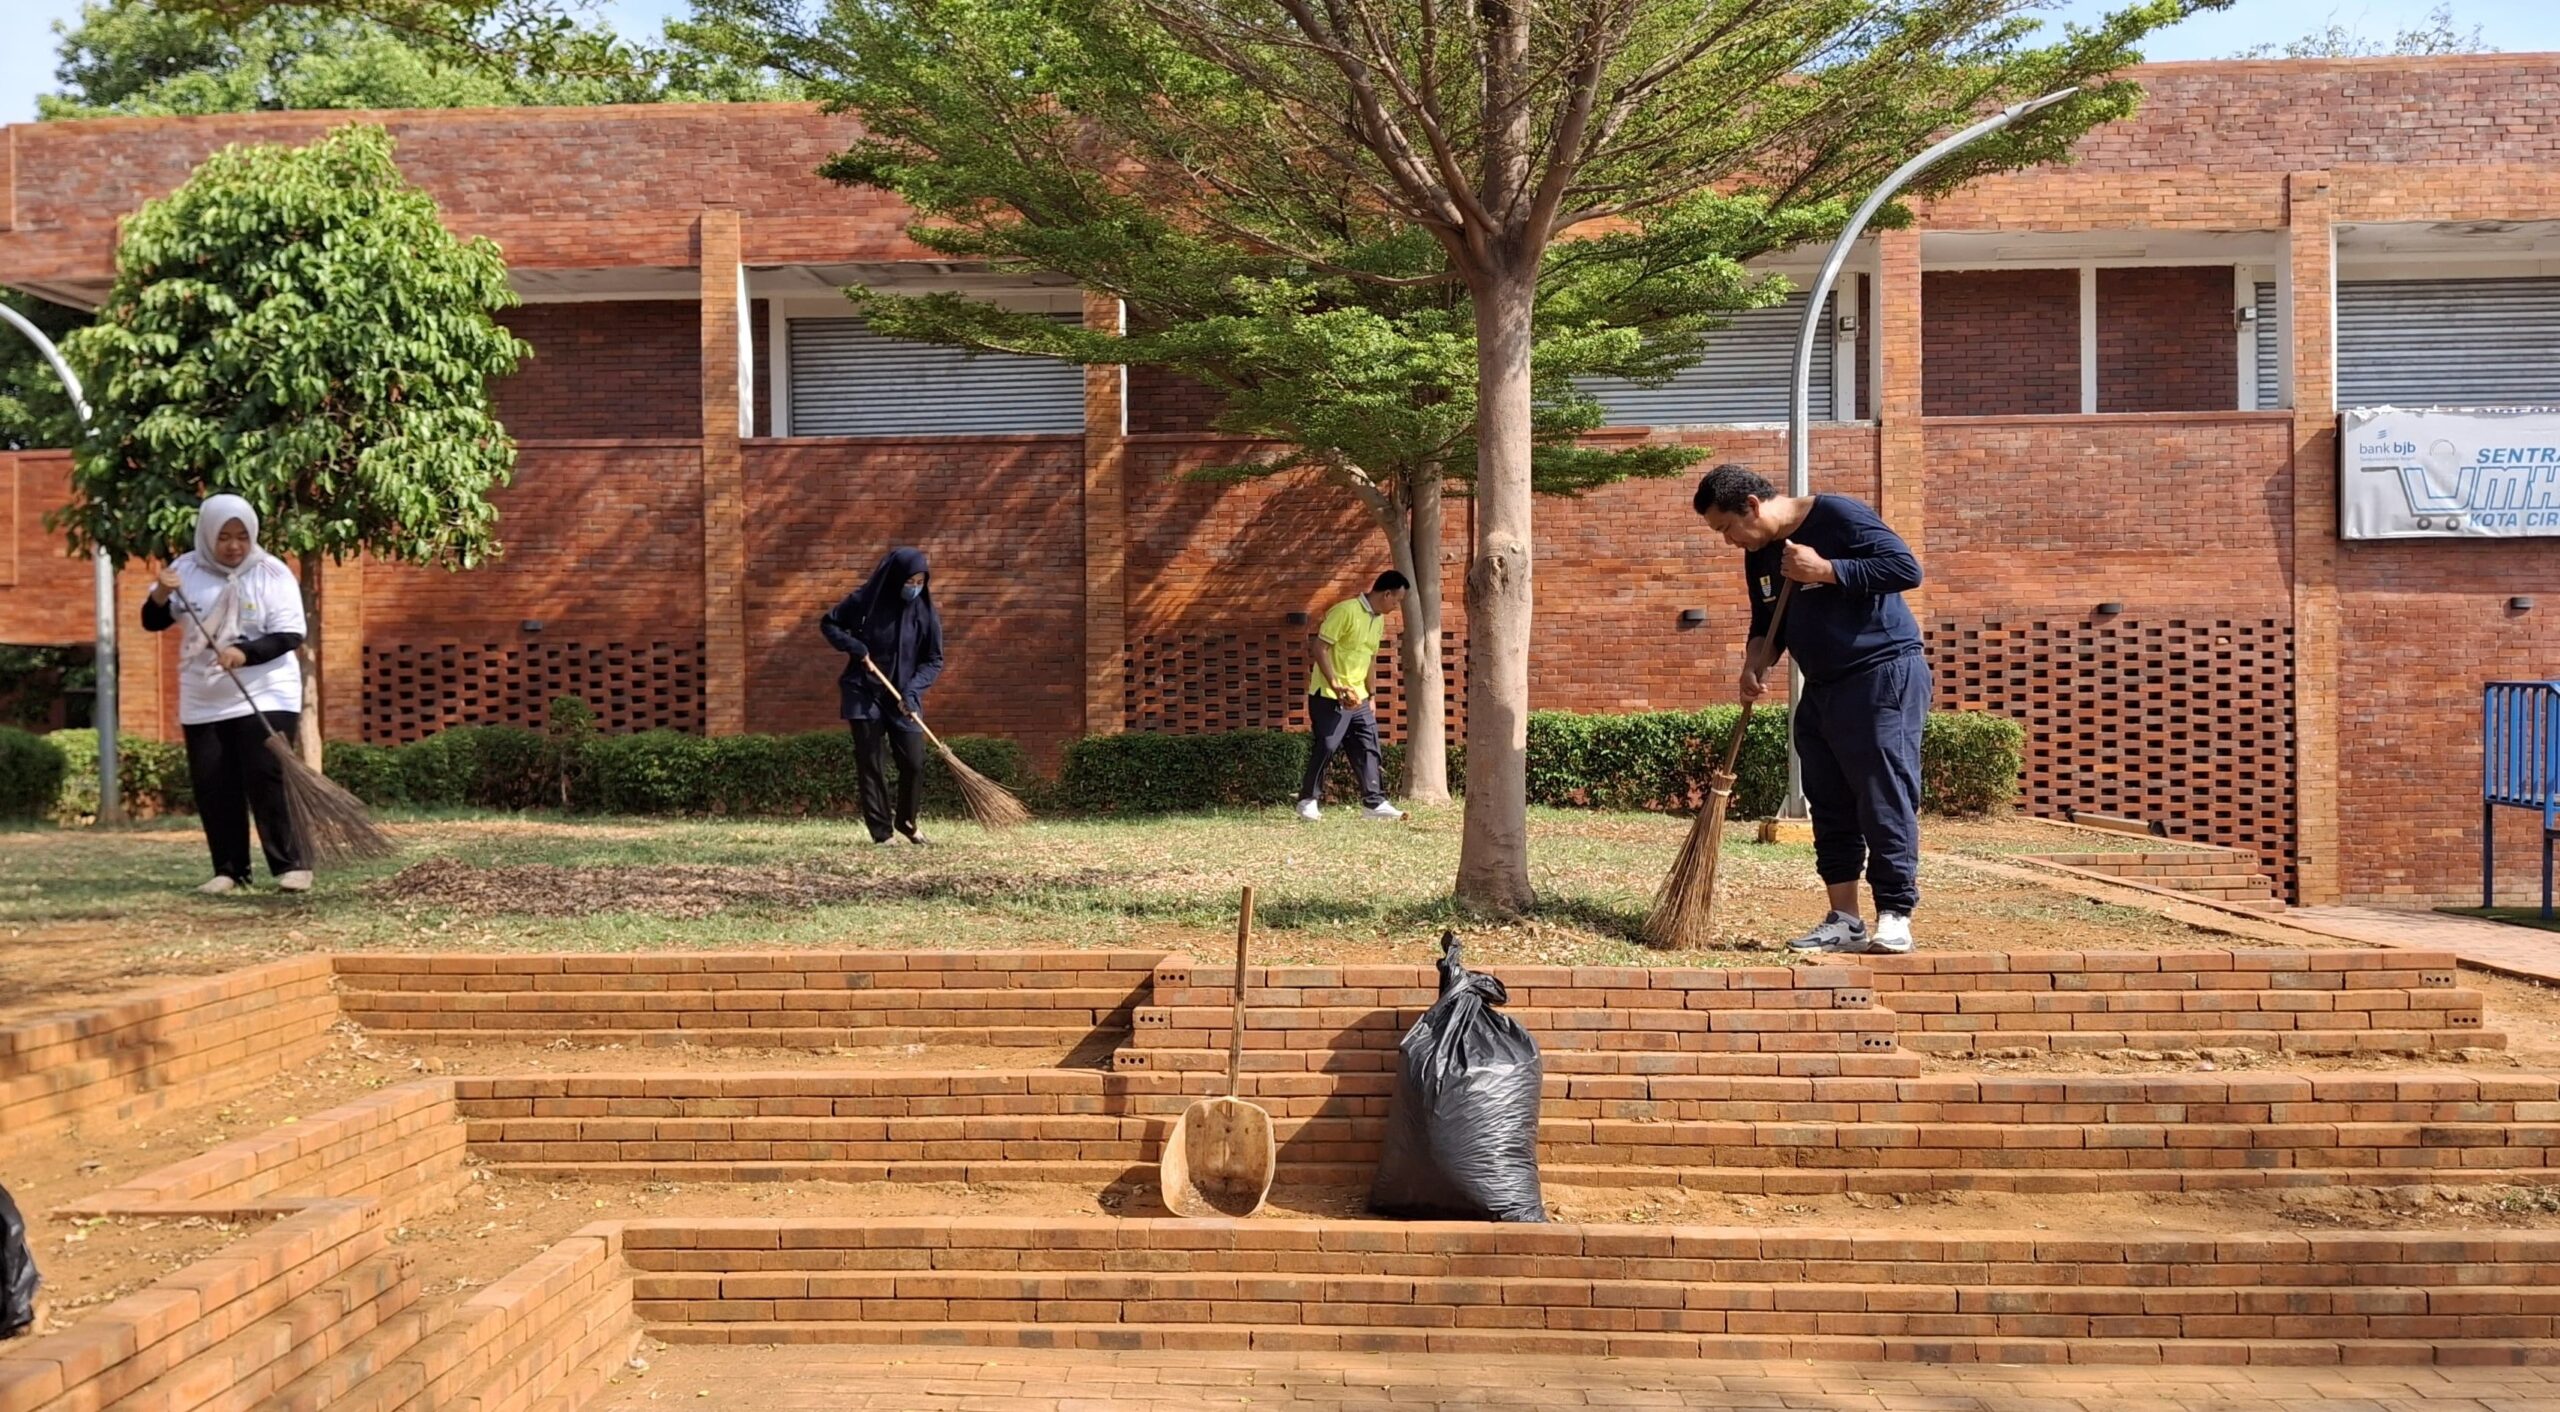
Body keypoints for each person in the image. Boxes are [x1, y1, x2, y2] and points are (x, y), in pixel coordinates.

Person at [1694, 464, 1930, 955]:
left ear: (1752, 507)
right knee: (1827, 798)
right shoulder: (1761, 552)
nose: (1728, 541)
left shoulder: (1838, 516)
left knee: (1882, 792)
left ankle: (1895, 913)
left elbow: (1906, 569)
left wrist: (1828, 570)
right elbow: (1767, 622)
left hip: (1881, 672)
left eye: (1727, 528)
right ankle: (1845, 918)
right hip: (1821, 686)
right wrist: (1754, 664)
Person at [142, 494, 310, 895]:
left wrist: (244, 653)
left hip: (267, 690)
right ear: (206, 536)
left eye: (241, 536)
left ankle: (292, 865)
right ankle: (230, 870)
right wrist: (161, 594)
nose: (233, 546)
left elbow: (290, 634)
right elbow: (152, 620)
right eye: (223, 537)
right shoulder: (185, 569)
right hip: (205, 695)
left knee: (266, 775)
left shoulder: (272, 573)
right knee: (214, 782)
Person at [820, 547, 944, 845]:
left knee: (913, 762)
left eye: (920, 582)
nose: (914, 588)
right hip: (864, 691)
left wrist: (912, 692)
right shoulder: (865, 601)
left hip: (903, 698)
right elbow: (830, 623)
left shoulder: (926, 614)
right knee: (871, 761)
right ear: (894, 578)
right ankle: (882, 832)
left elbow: (934, 660)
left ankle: (907, 822)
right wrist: (855, 647)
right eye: (909, 581)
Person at [1296, 570, 1410, 823]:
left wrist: (1371, 694)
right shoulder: (1345, 611)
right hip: (1328, 695)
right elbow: (1319, 648)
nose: (1396, 606)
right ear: (1386, 593)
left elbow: (1369, 658)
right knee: (1326, 745)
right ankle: (1307, 801)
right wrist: (1336, 686)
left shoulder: (1378, 620)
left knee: (1368, 746)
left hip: (1358, 698)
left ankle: (1374, 803)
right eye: (1396, 600)